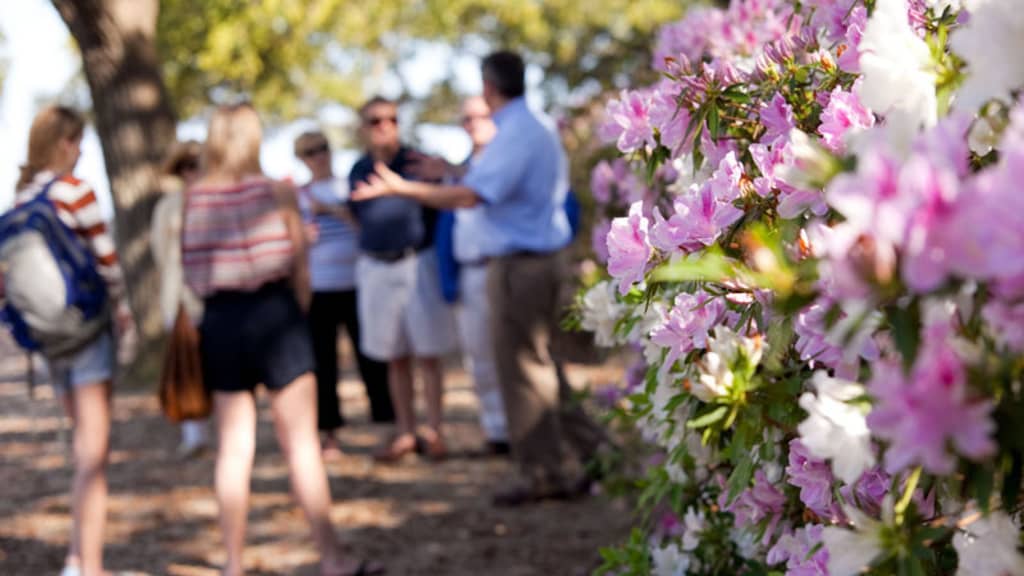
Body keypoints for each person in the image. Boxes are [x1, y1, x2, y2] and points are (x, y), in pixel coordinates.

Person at [353, 52, 606, 505]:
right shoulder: (536, 126)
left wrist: (401, 187)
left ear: (489, 87)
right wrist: (447, 171)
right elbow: (492, 182)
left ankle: (542, 473)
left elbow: (471, 196)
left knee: (523, 372)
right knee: (544, 369)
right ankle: (598, 457)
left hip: (520, 267)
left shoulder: (515, 133)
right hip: (536, 261)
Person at [182, 103, 381, 576]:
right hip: (277, 316)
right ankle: (331, 557)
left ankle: (233, 563)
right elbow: (300, 269)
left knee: (234, 448)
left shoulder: (196, 198)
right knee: (303, 446)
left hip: (222, 320)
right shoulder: (277, 193)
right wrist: (293, 313)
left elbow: (190, 273)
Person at [14, 105, 137, 576]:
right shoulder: (74, 191)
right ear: (64, 142)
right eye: (78, 141)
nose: (82, 150)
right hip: (86, 332)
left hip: (48, 339)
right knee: (94, 454)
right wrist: (121, 308)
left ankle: (75, 556)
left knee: (81, 451)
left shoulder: (24, 196)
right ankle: (91, 566)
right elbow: (107, 262)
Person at [348, 97, 457, 462]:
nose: (384, 126)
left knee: (428, 354)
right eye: (376, 120)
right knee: (394, 356)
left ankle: (436, 431)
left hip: (416, 263)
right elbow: (358, 218)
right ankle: (405, 432)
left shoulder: (417, 163)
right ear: (364, 127)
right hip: (377, 267)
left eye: (391, 119)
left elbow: (449, 200)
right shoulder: (358, 169)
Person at [415, 96, 509, 456]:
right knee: (479, 357)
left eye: (481, 115)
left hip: (504, 270)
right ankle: (496, 430)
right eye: (467, 117)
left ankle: (526, 429)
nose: (474, 123)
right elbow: (447, 229)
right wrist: (447, 277)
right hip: (470, 274)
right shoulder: (458, 170)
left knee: (515, 355)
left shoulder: (504, 164)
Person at [293, 130, 394, 458]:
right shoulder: (297, 196)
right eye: (310, 152)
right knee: (323, 363)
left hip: (357, 283)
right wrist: (302, 238)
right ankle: (329, 432)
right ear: (301, 158)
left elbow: (368, 227)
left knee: (372, 358)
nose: (318, 156)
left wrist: (333, 210)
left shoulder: (346, 187)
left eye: (322, 149)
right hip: (319, 289)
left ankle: (386, 423)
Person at [151, 139, 209, 458]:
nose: (195, 171)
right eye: (188, 166)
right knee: (187, 365)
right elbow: (161, 253)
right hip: (181, 297)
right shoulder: (168, 207)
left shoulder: (218, 199)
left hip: (216, 297)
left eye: (199, 163)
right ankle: (194, 432)